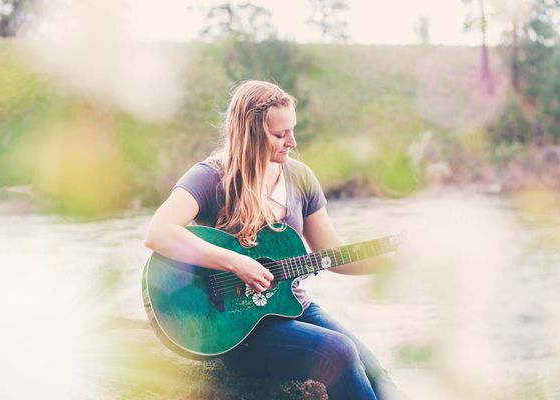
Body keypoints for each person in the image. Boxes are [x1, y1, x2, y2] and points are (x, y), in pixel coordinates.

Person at [144, 80, 402, 399]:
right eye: (280, 135)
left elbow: (331, 254)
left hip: (291, 306)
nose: (292, 142)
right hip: (232, 327)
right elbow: (159, 232)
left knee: (377, 373)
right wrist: (236, 263)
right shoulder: (211, 177)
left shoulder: (300, 178)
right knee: (338, 352)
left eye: (292, 131)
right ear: (250, 134)